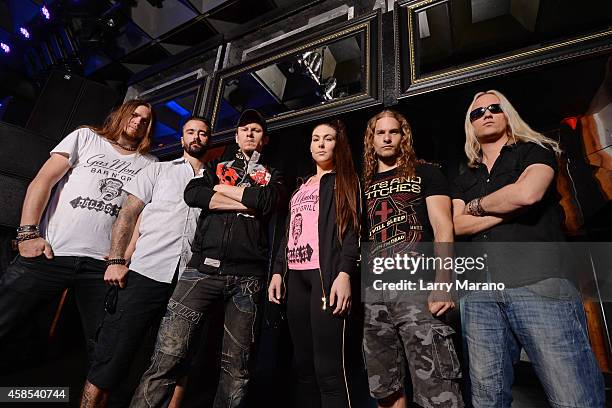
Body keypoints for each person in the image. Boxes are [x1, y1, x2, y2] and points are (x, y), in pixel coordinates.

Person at [451, 90, 605, 408]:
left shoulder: (535, 149)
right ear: (470, 125)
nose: (487, 114)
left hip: (540, 281)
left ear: (508, 114)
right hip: (479, 291)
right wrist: (509, 202)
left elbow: (529, 195)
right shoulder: (463, 173)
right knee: (487, 398)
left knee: (572, 395)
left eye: (495, 108)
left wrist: (476, 206)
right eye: (477, 112)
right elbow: (455, 225)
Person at [131, 109, 285, 408]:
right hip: (200, 271)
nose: (250, 133)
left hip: (247, 279)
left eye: (256, 129)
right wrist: (243, 198)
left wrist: (220, 190)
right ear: (237, 136)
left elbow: (266, 201)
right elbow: (194, 194)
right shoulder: (216, 165)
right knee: (166, 358)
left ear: (263, 138)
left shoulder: (272, 172)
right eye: (244, 129)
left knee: (236, 369)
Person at [0, 100, 156, 368]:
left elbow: (141, 217)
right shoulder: (86, 137)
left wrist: (124, 259)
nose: (139, 120)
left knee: (105, 347)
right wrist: (27, 235)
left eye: (146, 119)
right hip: (51, 252)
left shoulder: (150, 163)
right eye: (134, 114)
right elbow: (43, 181)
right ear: (121, 114)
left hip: (102, 267)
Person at [80, 116, 211, 407]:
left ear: (208, 140)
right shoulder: (158, 170)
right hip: (144, 272)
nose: (196, 137)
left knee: (178, 360)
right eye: (191, 132)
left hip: (189, 282)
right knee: (111, 356)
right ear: (181, 139)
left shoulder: (216, 181)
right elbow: (128, 214)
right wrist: (117, 259)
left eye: (202, 133)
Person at [362, 110, 464, 408]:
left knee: (437, 389)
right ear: (371, 139)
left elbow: (443, 227)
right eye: (380, 133)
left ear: (403, 136)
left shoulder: (426, 173)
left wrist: (444, 281)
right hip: (374, 294)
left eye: (393, 132)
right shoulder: (362, 184)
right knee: (385, 387)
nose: (387, 137)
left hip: (417, 289)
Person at [268, 119, 360, 407]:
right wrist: (277, 272)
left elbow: (352, 229)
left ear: (338, 144)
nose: (320, 144)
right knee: (304, 367)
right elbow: (288, 234)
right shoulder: (300, 186)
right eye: (315, 138)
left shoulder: (345, 180)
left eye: (328, 139)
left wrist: (345, 272)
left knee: (328, 370)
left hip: (326, 277)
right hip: (296, 279)